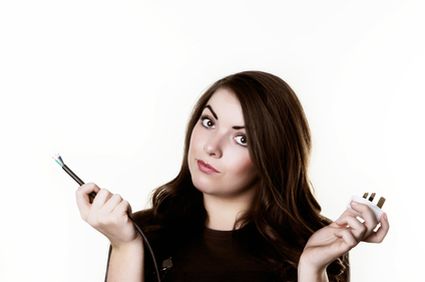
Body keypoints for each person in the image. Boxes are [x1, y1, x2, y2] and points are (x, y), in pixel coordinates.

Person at [75, 70, 390, 282]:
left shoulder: (314, 243)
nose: (211, 146)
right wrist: (125, 247)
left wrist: (311, 269)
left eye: (242, 138)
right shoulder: (144, 232)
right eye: (209, 122)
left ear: (273, 155)